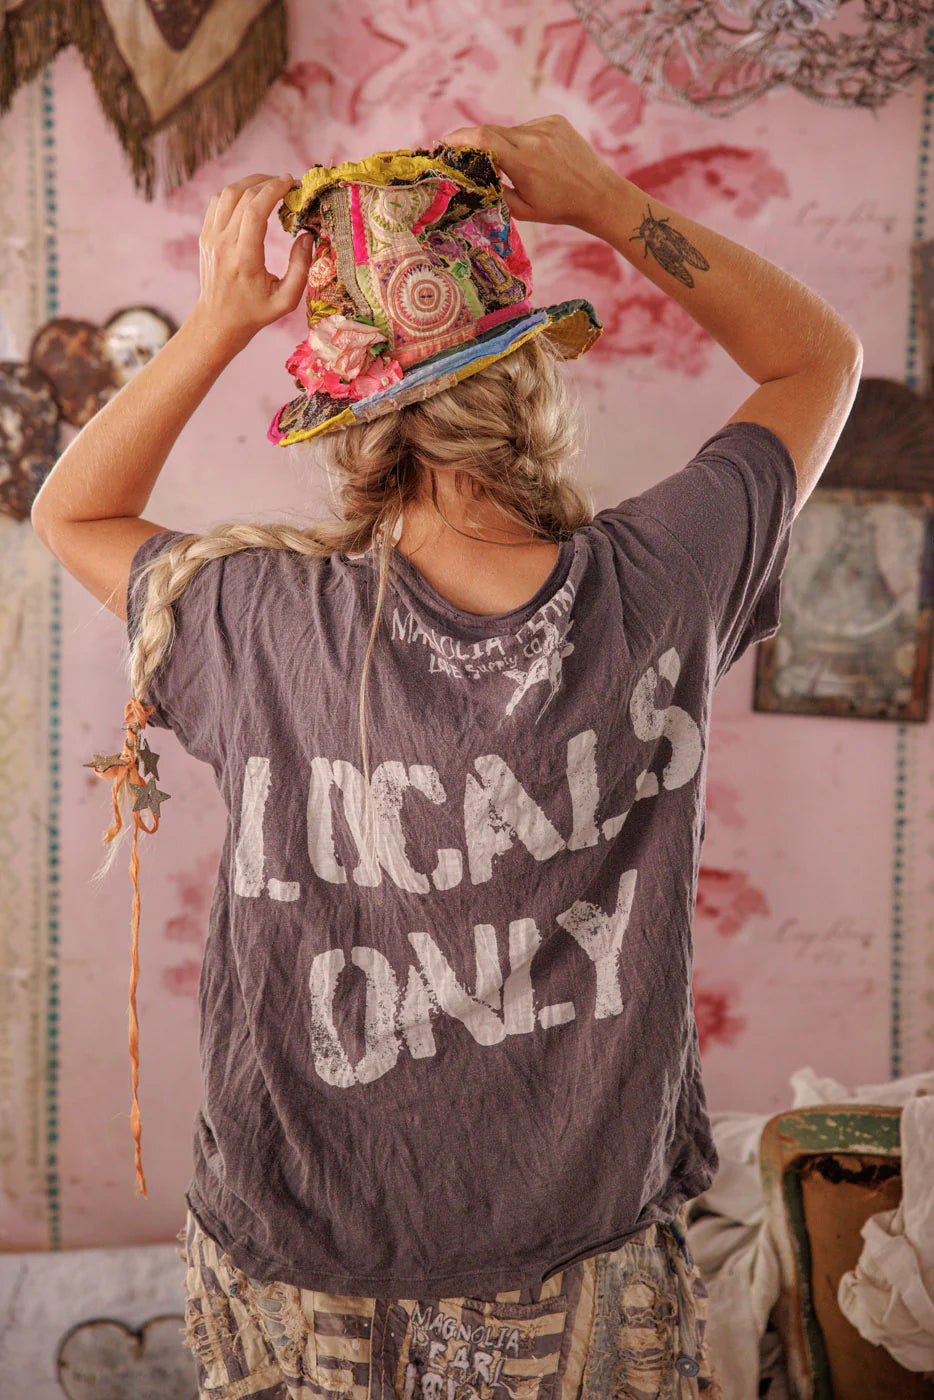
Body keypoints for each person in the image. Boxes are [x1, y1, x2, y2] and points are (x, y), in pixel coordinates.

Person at [30, 115, 862, 1400]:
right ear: (531, 382)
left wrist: (219, 319)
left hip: (296, 1261)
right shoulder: (667, 578)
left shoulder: (253, 616)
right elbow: (818, 359)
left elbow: (69, 508)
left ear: (344, 421)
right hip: (586, 1260)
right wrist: (604, 199)